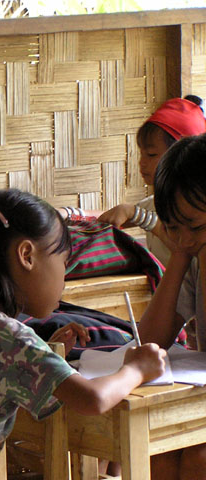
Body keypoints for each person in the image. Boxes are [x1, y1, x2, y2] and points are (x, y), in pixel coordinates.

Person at [0, 188, 167, 480]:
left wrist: (48, 350)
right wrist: (136, 369)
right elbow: (93, 399)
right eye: (63, 263)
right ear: (27, 255)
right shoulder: (7, 334)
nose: (63, 279)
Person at [138, 133, 206, 479]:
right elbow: (151, 340)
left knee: (199, 461)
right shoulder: (190, 252)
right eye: (174, 228)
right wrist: (180, 256)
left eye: (195, 226)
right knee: (159, 458)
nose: (185, 238)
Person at [93, 95, 206, 265]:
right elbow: (116, 215)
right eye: (142, 154)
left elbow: (179, 248)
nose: (142, 162)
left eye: (151, 154)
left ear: (179, 157)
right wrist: (72, 214)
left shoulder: (196, 212)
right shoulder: (153, 204)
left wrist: (136, 214)